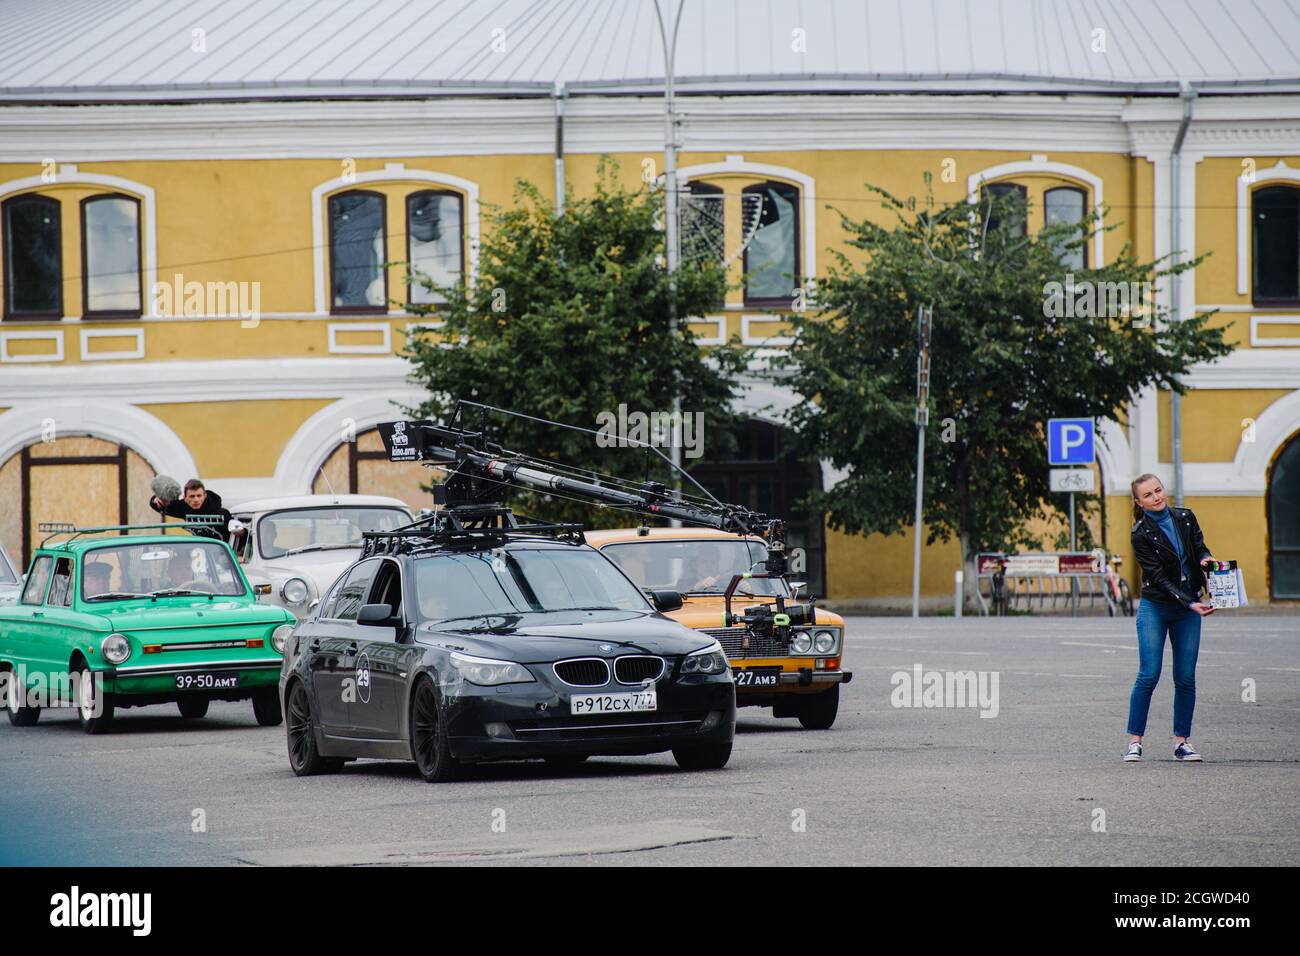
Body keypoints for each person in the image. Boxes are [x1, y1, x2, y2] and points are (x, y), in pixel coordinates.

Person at [1124, 473, 1216, 763]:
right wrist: (1190, 602)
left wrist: (1206, 559)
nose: (1156, 497)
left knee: (1185, 677)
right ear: (1139, 502)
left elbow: (1199, 548)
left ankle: (1182, 742)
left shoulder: (1185, 518)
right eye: (1148, 495)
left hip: (1188, 607)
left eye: (1158, 490)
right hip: (1157, 606)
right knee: (1149, 674)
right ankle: (1135, 742)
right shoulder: (1140, 533)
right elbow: (1159, 577)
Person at [150, 478, 232, 542]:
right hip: (198, 551)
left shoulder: (221, 513)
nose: (196, 500)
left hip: (220, 551)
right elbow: (161, 506)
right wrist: (157, 499)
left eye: (199, 496)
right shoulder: (184, 507)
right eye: (192, 496)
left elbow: (233, 537)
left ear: (205, 496)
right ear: (185, 498)